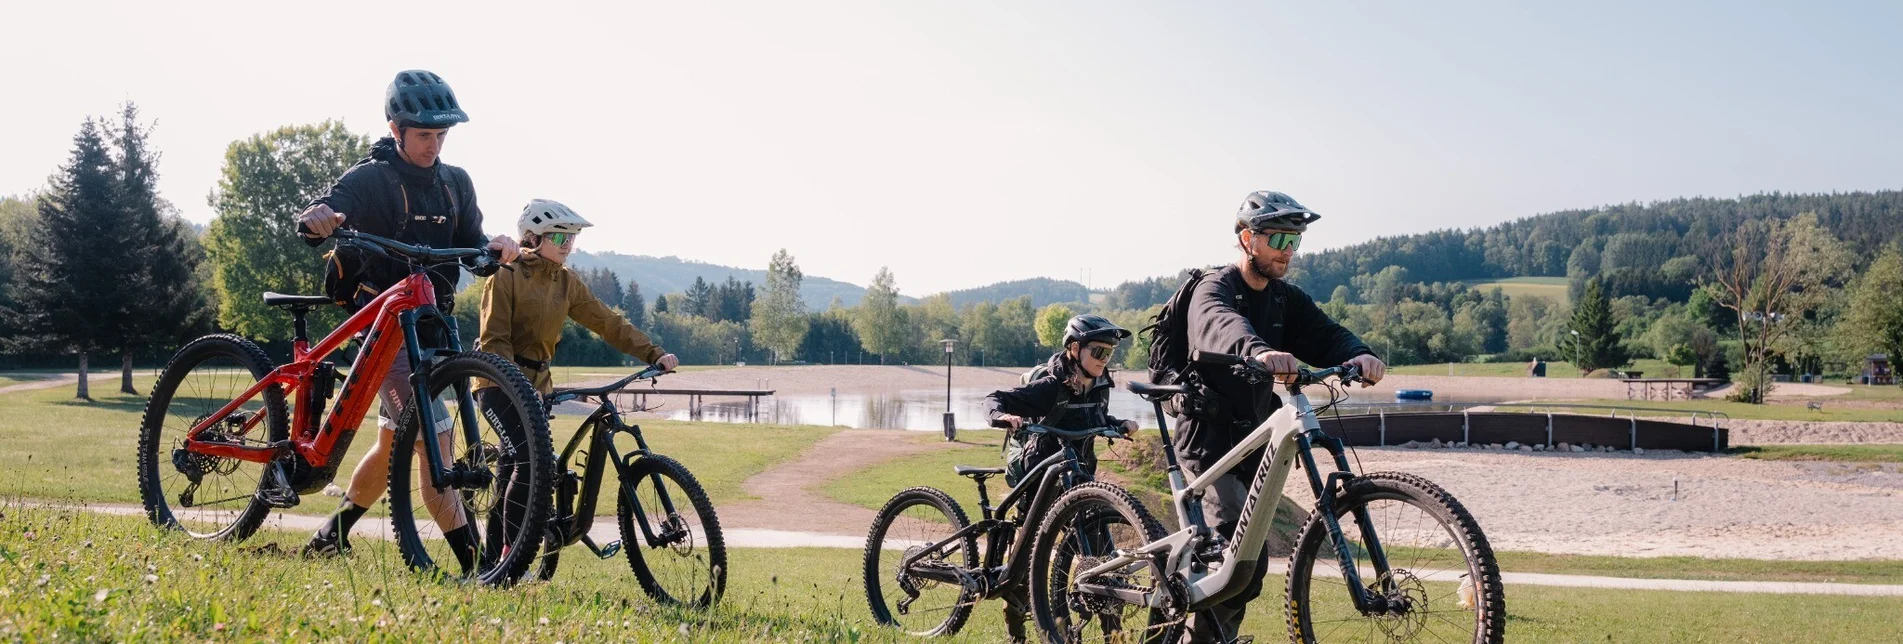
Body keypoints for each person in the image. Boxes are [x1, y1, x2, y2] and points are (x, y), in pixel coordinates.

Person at [297, 70, 521, 568]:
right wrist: (320, 218)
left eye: (442, 135)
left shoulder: (455, 184)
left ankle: (330, 536)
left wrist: (497, 249)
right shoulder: (370, 178)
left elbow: (474, 248)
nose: (434, 145)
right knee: (433, 443)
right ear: (396, 131)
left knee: (392, 441)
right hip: (386, 332)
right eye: (424, 134)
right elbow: (329, 208)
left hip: (435, 326)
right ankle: (478, 565)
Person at [1173, 190, 1387, 642]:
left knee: (1250, 564)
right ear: (1248, 239)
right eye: (1279, 240)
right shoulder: (1214, 287)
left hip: (1253, 437)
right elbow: (1220, 323)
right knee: (1231, 550)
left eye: (1296, 242)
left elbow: (1324, 332)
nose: (1288, 252)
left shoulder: (1284, 299)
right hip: (1208, 438)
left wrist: (1360, 354)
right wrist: (1261, 351)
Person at [982, 313, 1139, 643]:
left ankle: (1112, 636)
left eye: (1109, 353)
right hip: (1042, 483)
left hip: (1080, 482)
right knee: (1023, 568)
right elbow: (997, 398)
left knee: (1104, 565)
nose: (1104, 360)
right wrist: (1001, 416)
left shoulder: (1099, 388)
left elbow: (1096, 416)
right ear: (1074, 349)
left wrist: (1118, 424)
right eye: (1097, 352)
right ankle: (1017, 634)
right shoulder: (1050, 386)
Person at [476, 198, 679, 395]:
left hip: (540, 384)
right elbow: (495, 341)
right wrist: (518, 389)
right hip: (498, 383)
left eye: (571, 238)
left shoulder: (566, 281)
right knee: (520, 432)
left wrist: (655, 354)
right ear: (533, 238)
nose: (567, 245)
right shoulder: (506, 274)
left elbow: (608, 323)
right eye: (558, 237)